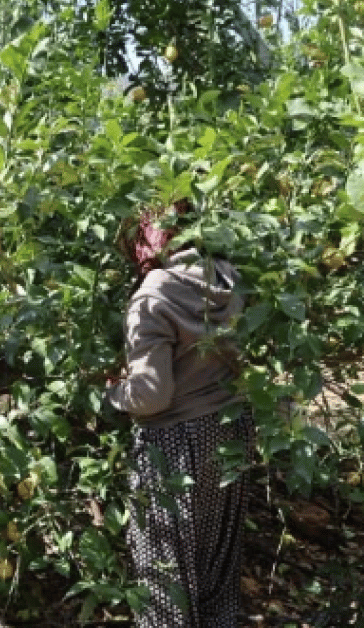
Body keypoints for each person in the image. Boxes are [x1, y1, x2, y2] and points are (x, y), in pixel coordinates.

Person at [107, 202, 254, 628]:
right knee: (215, 559)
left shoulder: (154, 294)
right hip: (228, 430)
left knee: (164, 570)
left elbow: (152, 394)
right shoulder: (227, 275)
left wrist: (114, 395)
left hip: (173, 443)